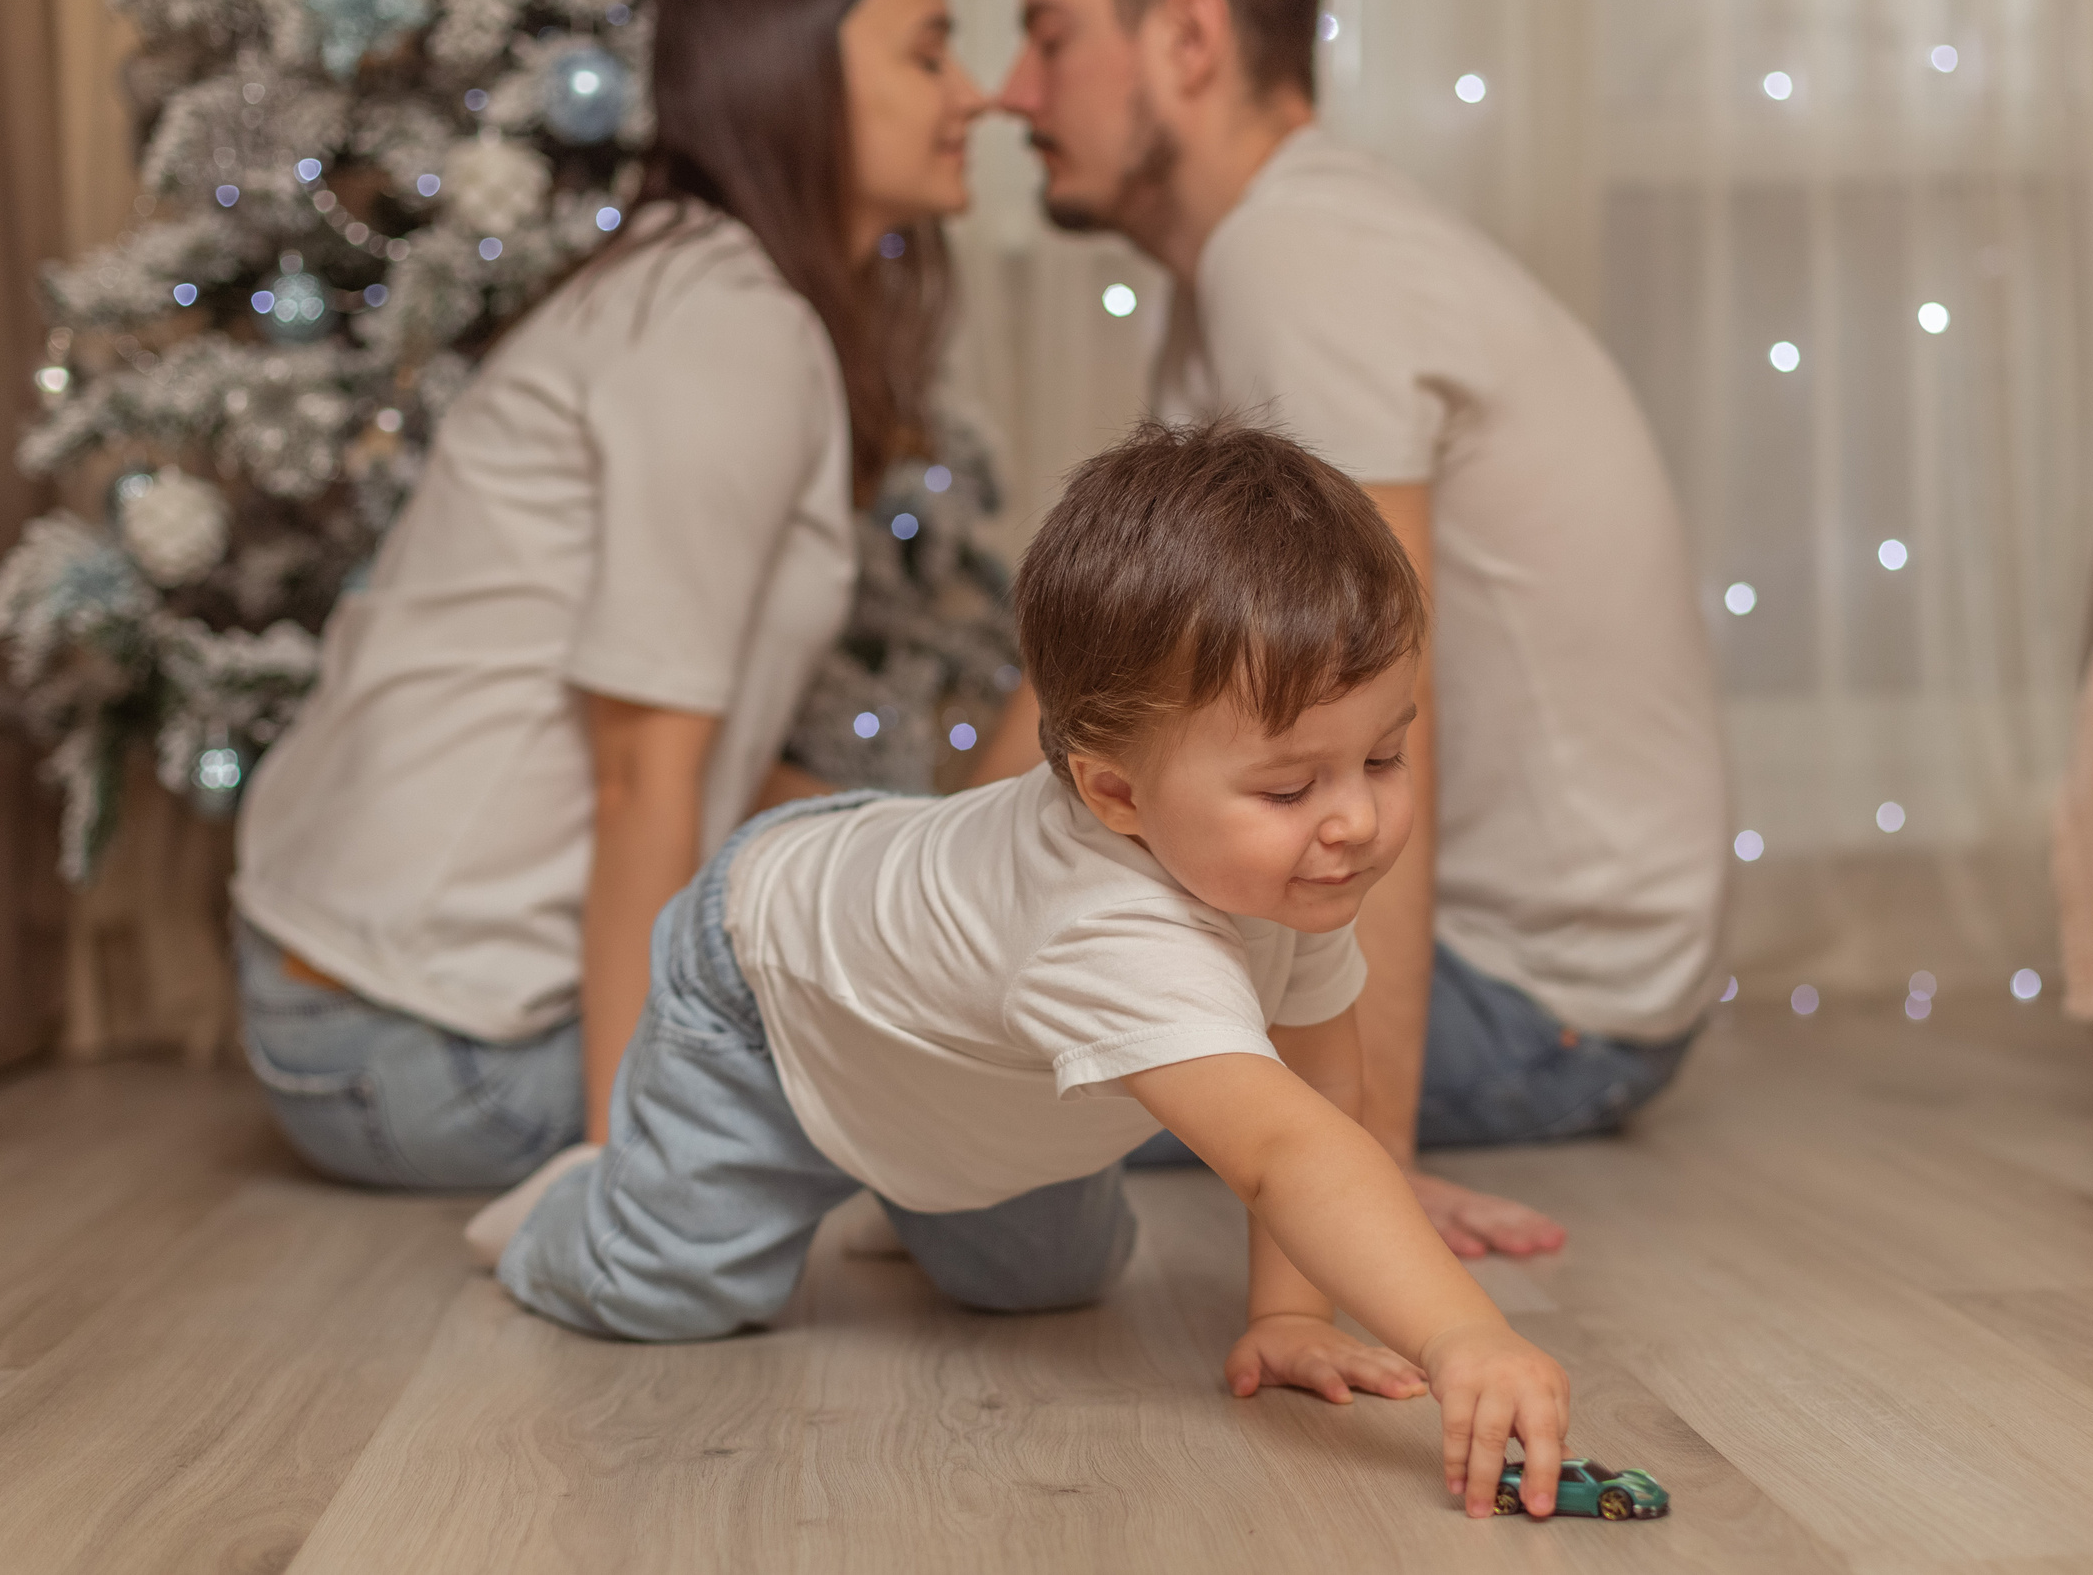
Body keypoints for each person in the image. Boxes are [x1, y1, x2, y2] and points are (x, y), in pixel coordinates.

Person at [475, 421, 1577, 1520]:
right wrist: (1459, 1330)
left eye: (1384, 756)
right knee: (671, 1291)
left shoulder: (1287, 869)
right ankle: (571, 1207)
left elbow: (1317, 1090)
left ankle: (890, 1179)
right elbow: (1284, 1155)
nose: (1353, 819)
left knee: (1048, 1286)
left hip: (946, 1058)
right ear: (1116, 796)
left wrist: (1291, 1315)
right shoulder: (1102, 926)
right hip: (771, 990)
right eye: (1290, 788)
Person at [992, 0, 1731, 1257]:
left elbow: (1374, 718)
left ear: (1189, 39)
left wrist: (1362, 1162)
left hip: (1534, 1002)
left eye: (1049, 33)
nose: (1013, 93)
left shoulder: (1299, 259)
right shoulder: (1258, 260)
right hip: (1529, 976)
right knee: (942, 972)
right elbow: (1099, 690)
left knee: (955, 1050)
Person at [228, 0, 989, 1189]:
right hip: (411, 1040)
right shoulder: (723, 324)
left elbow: (699, 766)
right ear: (793, 75)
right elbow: (645, 776)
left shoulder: (710, 295)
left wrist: (920, 857)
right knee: (962, 1098)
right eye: (929, 55)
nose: (975, 94)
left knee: (967, 1052)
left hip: (345, 993)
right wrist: (630, 1179)